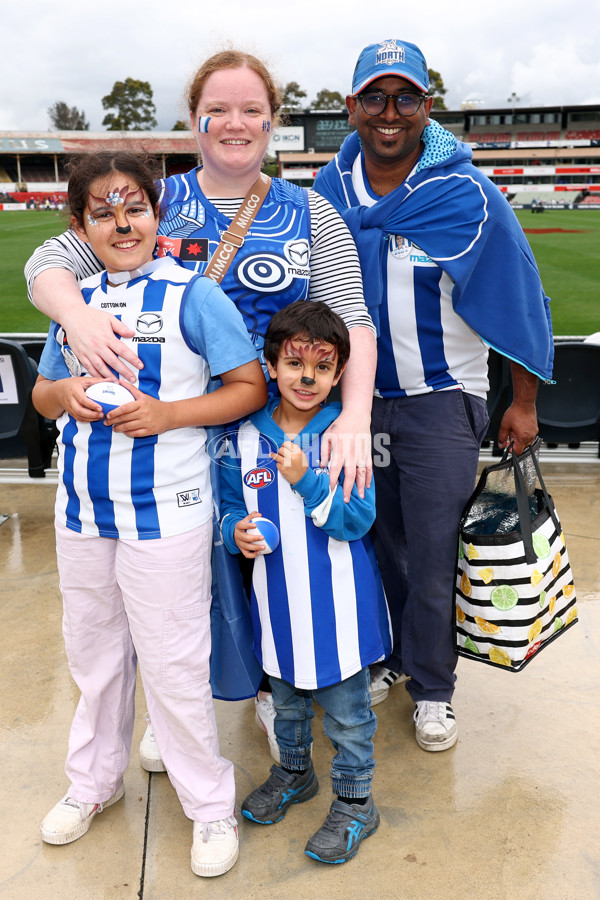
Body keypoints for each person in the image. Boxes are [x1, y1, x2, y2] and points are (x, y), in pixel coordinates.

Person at [24, 49, 377, 766]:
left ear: (273, 122)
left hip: (274, 428)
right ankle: (178, 708)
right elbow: (48, 266)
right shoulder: (151, 201)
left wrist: (355, 419)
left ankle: (280, 698)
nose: (235, 122)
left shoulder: (311, 210)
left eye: (253, 108)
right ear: (194, 120)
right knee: (187, 589)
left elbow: (356, 321)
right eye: (219, 107)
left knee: (274, 563)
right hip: (175, 443)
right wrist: (81, 322)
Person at [31, 150, 267, 877]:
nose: (121, 221)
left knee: (173, 665)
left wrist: (168, 414)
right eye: (103, 212)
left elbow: (249, 386)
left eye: (134, 207)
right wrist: (64, 396)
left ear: (156, 217)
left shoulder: (195, 296)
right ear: (81, 226)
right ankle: (93, 784)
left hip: (167, 511)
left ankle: (209, 804)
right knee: (95, 660)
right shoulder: (77, 304)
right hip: (83, 513)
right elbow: (44, 393)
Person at [314, 39, 553, 751]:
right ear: (352, 107)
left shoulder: (465, 192)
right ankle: (391, 658)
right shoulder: (328, 192)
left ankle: (434, 687)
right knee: (374, 543)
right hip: (351, 406)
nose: (391, 114)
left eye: (407, 98)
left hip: (439, 400)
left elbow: (517, 298)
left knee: (431, 550)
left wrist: (525, 402)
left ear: (426, 108)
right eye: (376, 98)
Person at [219, 300, 391, 864]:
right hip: (277, 605)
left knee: (347, 714)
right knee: (287, 703)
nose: (308, 378)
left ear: (340, 373)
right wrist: (234, 531)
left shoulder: (345, 434)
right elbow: (225, 507)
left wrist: (307, 481)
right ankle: (295, 774)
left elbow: (357, 520)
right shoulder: (240, 438)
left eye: (323, 366)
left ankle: (356, 800)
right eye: (295, 363)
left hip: (339, 608)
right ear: (270, 365)